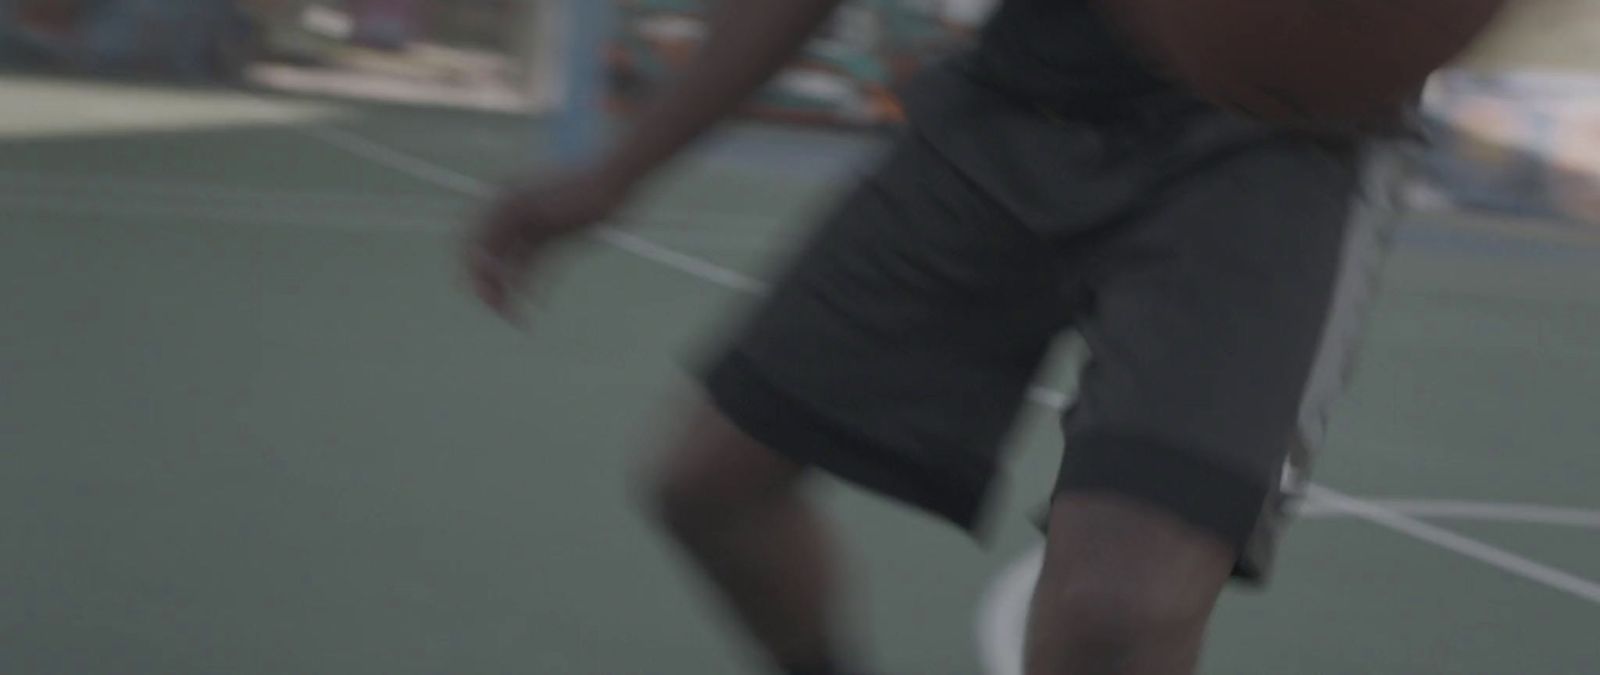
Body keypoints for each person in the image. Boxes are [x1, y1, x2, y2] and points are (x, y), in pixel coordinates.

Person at [467, 0, 1407, 673]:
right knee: (708, 487)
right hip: (1017, 101)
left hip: (1273, 152)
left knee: (1120, 611)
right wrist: (620, 170)